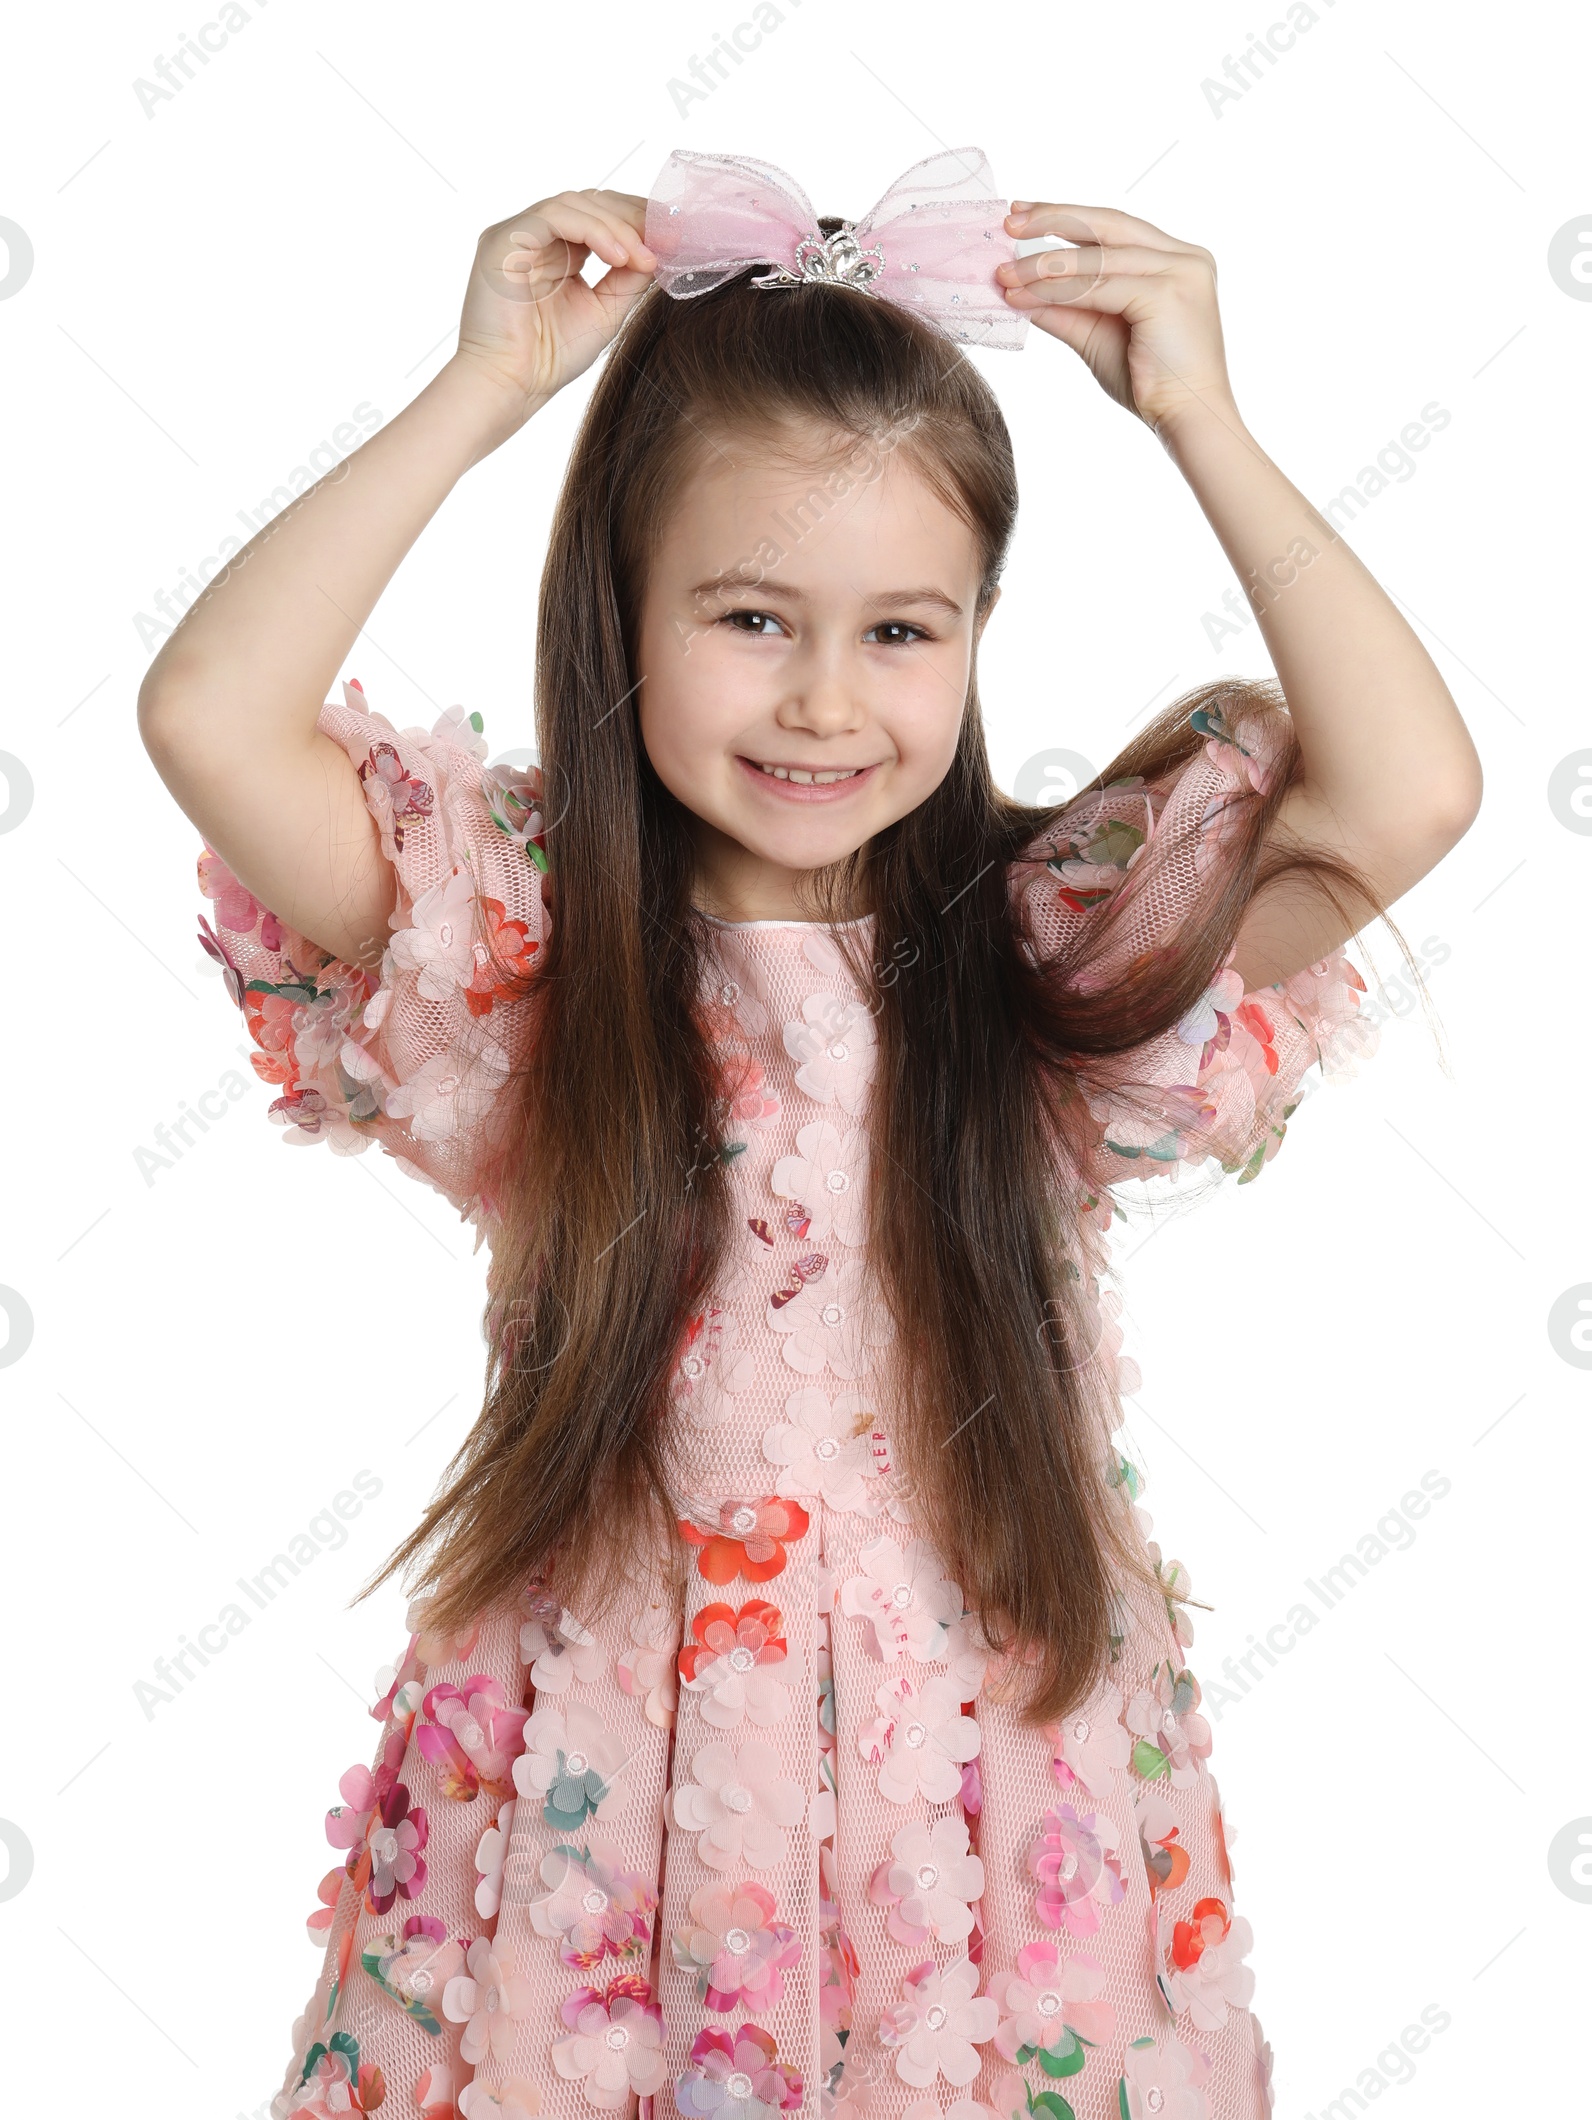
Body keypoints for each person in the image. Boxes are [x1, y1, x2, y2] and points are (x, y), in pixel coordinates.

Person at [139, 149, 1481, 2120]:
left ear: (975, 632)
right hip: (605, 1783)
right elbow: (208, 715)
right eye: (751, 617)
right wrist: (484, 388)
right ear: (623, 606)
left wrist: (1199, 412)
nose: (823, 702)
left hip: (979, 1794)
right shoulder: (534, 948)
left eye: (899, 631)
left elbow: (1410, 791)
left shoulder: (1037, 956)